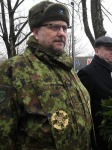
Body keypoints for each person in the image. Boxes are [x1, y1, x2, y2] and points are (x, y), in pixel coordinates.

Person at [0, 1, 92, 149]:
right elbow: (4, 135)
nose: (61, 33)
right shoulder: (13, 69)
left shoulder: (67, 68)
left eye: (64, 28)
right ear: (36, 32)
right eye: (54, 27)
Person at [77, 36, 112, 150]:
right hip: (100, 135)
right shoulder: (87, 73)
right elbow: (84, 108)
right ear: (97, 51)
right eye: (108, 49)